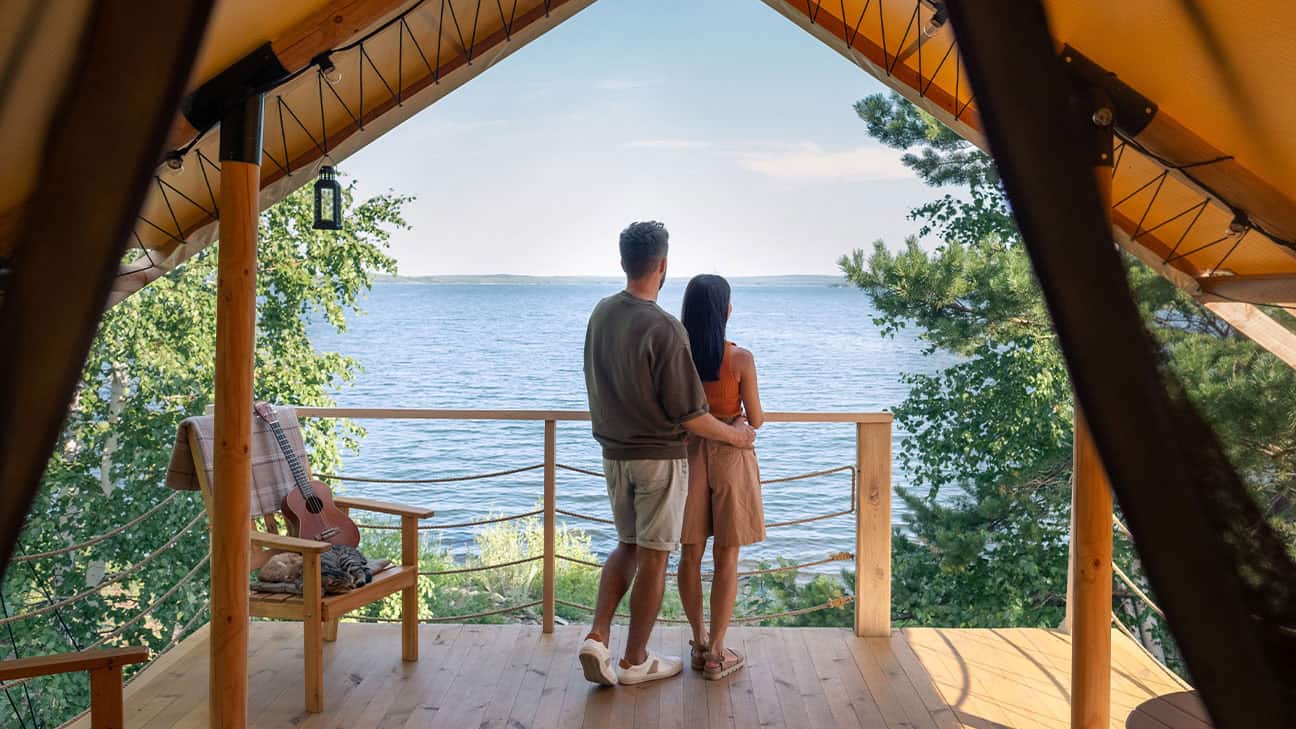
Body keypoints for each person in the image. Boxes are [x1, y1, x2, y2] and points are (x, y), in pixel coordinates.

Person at [579, 222, 757, 687]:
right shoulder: (663, 328)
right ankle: (635, 659)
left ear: (623, 262)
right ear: (662, 266)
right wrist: (737, 436)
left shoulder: (601, 314)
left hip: (613, 454)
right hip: (658, 456)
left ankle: (598, 636)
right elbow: (689, 416)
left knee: (628, 546)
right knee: (656, 556)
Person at [677, 274, 765, 681]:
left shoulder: (678, 358)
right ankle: (716, 652)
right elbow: (757, 419)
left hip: (688, 456)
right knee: (727, 555)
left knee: (690, 555)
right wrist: (739, 422)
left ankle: (697, 641)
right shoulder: (740, 359)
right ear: (726, 311)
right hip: (732, 455)